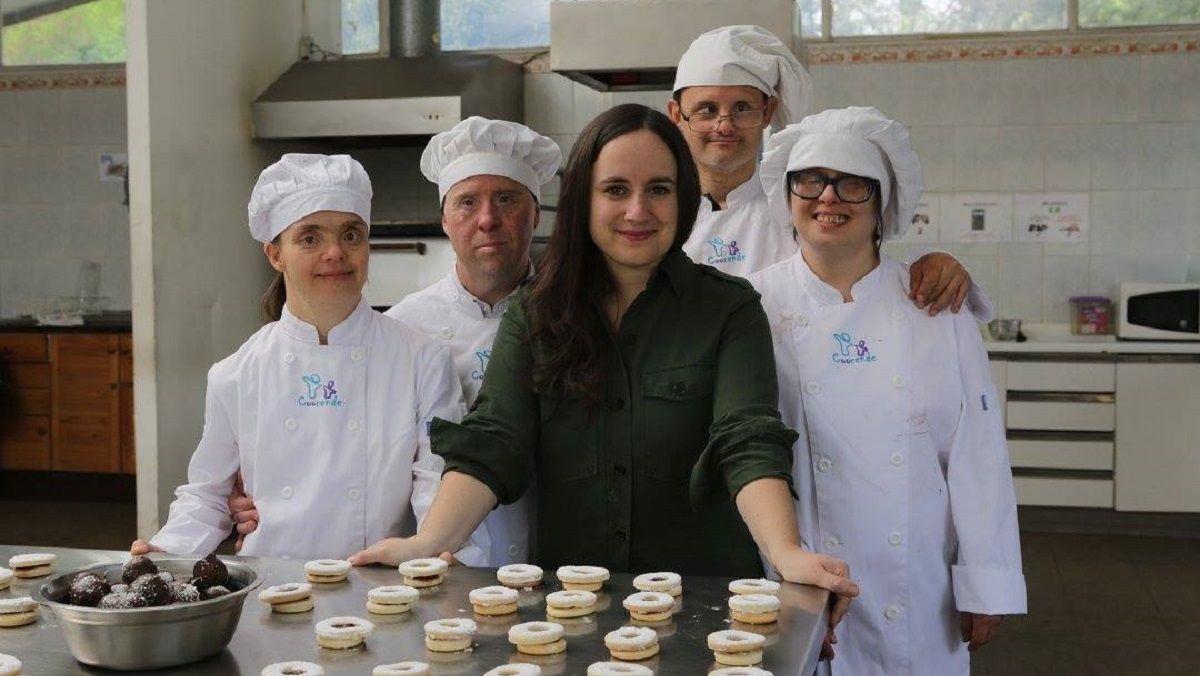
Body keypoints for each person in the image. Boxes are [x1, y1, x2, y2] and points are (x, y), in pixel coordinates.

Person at [348, 104, 861, 620]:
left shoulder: (729, 310)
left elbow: (746, 440)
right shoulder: (538, 313)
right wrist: (429, 542)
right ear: (583, 201)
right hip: (570, 612)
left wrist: (784, 552)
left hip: (707, 608)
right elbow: (496, 438)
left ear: (682, 198)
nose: (638, 211)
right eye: (615, 189)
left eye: (658, 189)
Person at [748, 107, 1026, 674]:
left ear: (882, 204)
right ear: (788, 195)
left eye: (853, 183)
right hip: (800, 574)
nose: (829, 197)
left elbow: (976, 453)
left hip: (921, 584)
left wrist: (986, 580)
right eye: (811, 180)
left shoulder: (937, 304)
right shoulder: (751, 304)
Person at [226, 119, 561, 568]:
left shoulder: (572, 319)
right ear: (444, 219)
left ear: (536, 214)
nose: (487, 219)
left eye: (506, 199)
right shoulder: (405, 328)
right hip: (428, 562)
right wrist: (258, 495)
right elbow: (334, 447)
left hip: (553, 553)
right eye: (467, 202)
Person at [131, 154, 473, 561]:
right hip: (268, 582)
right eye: (310, 238)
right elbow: (208, 495)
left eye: (351, 235)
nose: (335, 252)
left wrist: (439, 556)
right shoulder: (236, 374)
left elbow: (438, 484)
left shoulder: (422, 361)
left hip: (373, 581)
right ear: (275, 254)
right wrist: (166, 549)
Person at [669, 25, 985, 316]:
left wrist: (936, 267)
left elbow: (869, 275)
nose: (724, 126)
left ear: (767, 112)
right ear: (675, 114)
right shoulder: (658, 213)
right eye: (707, 109)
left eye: (742, 108)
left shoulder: (801, 206)